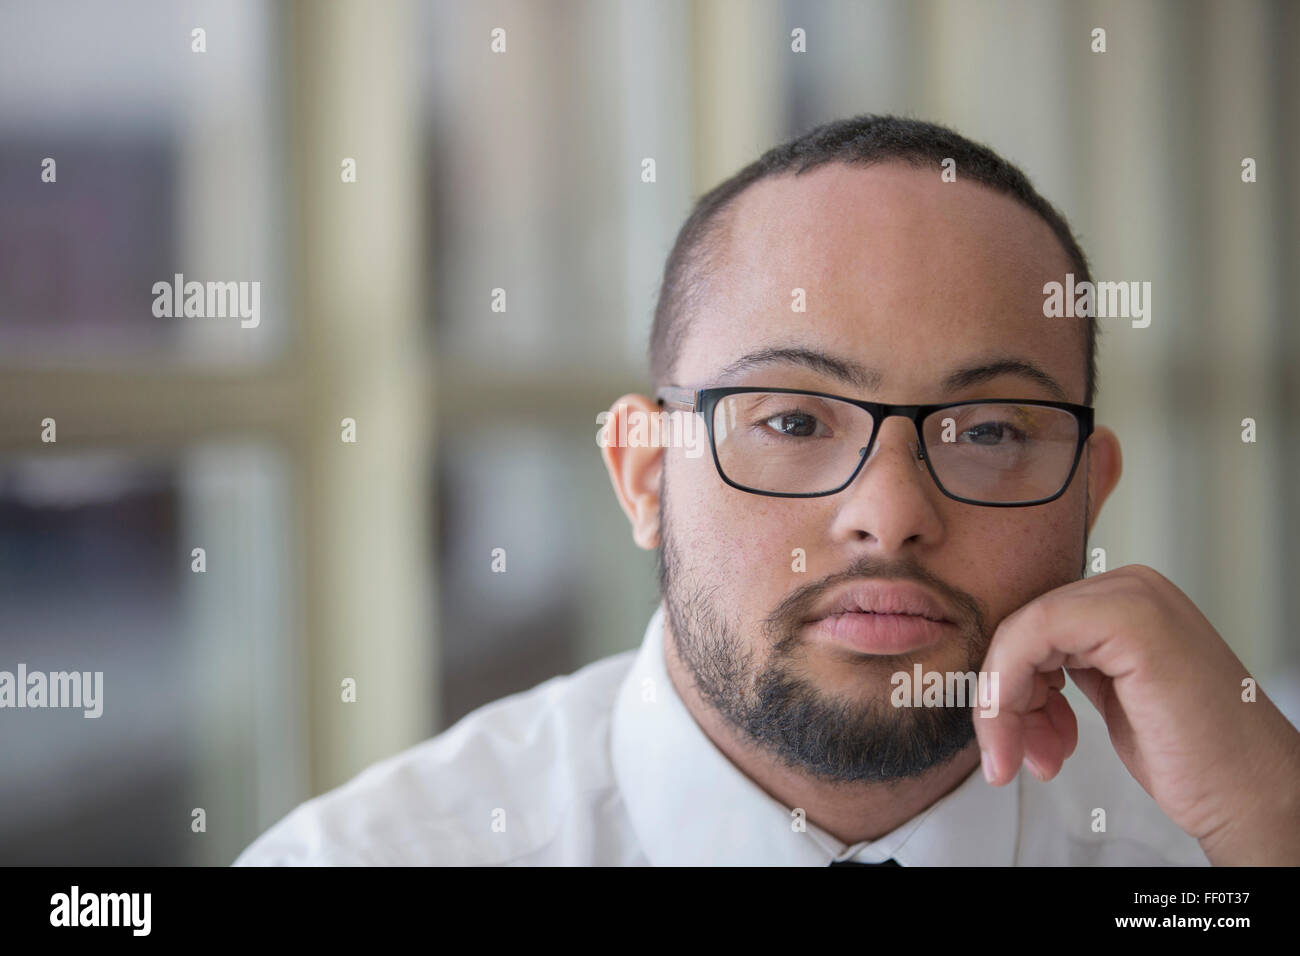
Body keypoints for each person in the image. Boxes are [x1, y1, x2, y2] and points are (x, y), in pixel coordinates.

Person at [234, 114, 1300, 866]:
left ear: (1086, 492)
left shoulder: (1219, 845)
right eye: (791, 419)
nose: (888, 511)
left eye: (984, 429)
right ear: (645, 473)